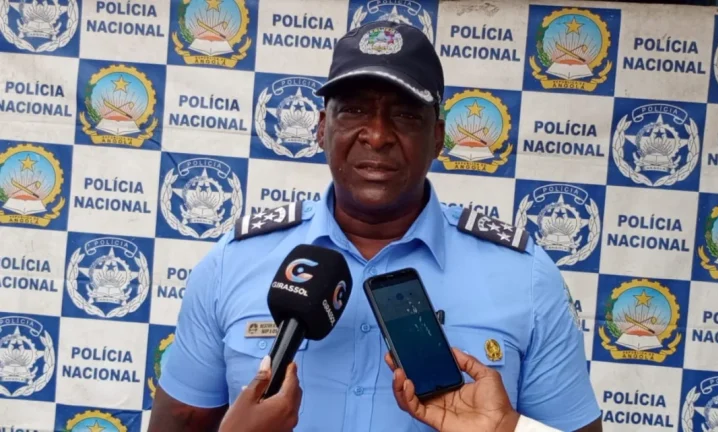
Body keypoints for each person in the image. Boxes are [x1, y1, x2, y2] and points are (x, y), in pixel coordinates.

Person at [148, 20, 602, 432]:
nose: (378, 135)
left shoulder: (525, 277)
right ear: (322, 128)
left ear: (438, 137)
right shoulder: (234, 261)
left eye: (405, 114)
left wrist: (506, 431)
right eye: (354, 111)